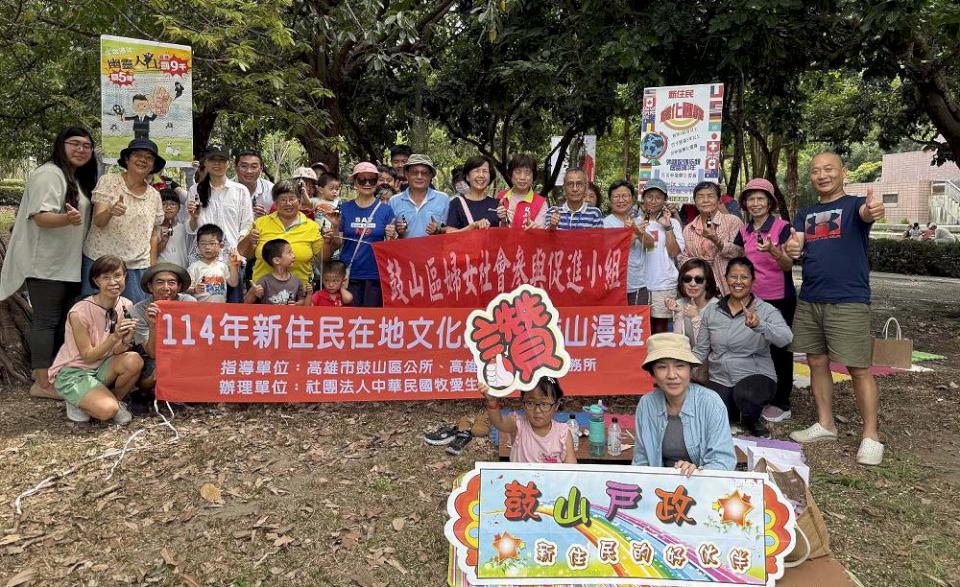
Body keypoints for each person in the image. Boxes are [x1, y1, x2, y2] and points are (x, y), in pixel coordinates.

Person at [784, 151, 886, 466]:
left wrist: (873, 208)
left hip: (849, 299)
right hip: (811, 297)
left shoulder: (855, 206)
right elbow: (796, 245)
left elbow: (868, 213)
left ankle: (871, 436)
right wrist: (791, 247)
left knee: (858, 367)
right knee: (816, 361)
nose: (822, 175)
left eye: (829, 169)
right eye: (816, 171)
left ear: (843, 172)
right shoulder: (805, 213)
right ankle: (825, 424)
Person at [0, 127, 98, 398]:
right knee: (46, 320)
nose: (81, 149)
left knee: (61, 321)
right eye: (74, 143)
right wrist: (67, 219)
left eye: (86, 146)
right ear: (60, 145)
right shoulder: (49, 173)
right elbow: (41, 216)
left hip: (68, 264)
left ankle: (56, 374)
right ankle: (41, 383)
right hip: (45, 263)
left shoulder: (75, 177)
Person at [693, 258, 793, 437]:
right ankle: (736, 412)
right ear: (726, 279)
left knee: (746, 395)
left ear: (753, 281)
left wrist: (760, 325)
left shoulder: (765, 309)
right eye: (733, 277)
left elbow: (786, 338)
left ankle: (752, 418)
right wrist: (681, 368)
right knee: (706, 408)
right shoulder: (712, 311)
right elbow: (701, 350)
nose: (738, 282)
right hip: (720, 377)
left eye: (744, 277)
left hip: (755, 376)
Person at [48, 255, 144, 424]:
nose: (113, 282)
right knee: (108, 411)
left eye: (117, 275)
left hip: (102, 366)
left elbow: (117, 351)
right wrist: (115, 336)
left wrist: (127, 338)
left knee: (134, 360)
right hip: (75, 371)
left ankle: (113, 401)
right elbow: (87, 357)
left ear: (125, 277)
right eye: (105, 277)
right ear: (96, 281)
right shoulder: (79, 312)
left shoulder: (126, 305)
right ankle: (81, 400)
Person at [734, 178, 797, 423]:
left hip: (779, 297)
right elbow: (739, 258)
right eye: (751, 199)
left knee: (780, 348)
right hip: (753, 298)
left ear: (770, 203)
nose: (755, 203)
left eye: (761, 198)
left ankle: (782, 401)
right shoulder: (744, 230)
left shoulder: (782, 228)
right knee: (757, 347)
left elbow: (788, 265)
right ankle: (760, 394)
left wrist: (772, 250)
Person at [632, 333, 736, 473]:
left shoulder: (710, 402)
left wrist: (697, 472)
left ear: (690, 369)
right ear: (653, 373)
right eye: (662, 367)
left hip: (700, 482)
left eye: (680, 366)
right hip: (658, 483)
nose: (672, 375)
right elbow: (641, 460)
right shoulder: (647, 404)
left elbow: (723, 461)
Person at [82, 138, 165, 303]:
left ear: (153, 166)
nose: (143, 160)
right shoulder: (109, 181)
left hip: (137, 267)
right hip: (102, 263)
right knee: (95, 312)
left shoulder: (154, 195)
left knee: (134, 314)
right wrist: (110, 211)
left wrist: (152, 268)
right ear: (127, 159)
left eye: (149, 158)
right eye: (137, 155)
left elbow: (153, 234)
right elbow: (98, 221)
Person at [185, 144, 254, 302]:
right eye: (212, 160)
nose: (217, 164)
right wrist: (194, 218)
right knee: (206, 304)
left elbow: (246, 225)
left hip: (232, 258)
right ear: (205, 162)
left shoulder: (240, 190)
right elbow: (190, 229)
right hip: (203, 259)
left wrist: (238, 251)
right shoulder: (195, 190)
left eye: (222, 160)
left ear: (229, 163)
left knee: (234, 306)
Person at [236, 181, 330, 289]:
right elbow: (244, 253)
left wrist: (328, 240)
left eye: (292, 199)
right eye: (283, 199)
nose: (288, 203)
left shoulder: (312, 226)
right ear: (275, 203)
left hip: (299, 293)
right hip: (262, 291)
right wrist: (249, 239)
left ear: (299, 202)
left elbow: (324, 257)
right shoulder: (260, 223)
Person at [330, 162, 398, 307]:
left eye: (372, 180)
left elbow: (390, 249)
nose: (367, 183)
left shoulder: (386, 210)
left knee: (372, 318)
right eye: (362, 180)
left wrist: (391, 236)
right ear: (355, 182)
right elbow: (337, 244)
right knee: (350, 318)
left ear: (377, 182)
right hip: (348, 275)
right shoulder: (345, 208)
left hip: (375, 275)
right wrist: (335, 227)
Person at [130, 263, 196, 394]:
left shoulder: (189, 302)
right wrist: (153, 325)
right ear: (150, 286)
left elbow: (197, 338)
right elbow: (152, 353)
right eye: (160, 282)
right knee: (152, 375)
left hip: (184, 352)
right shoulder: (139, 310)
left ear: (179, 286)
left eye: (171, 283)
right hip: (154, 355)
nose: (166, 288)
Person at [482, 378, 577, 463]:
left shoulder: (563, 433)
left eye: (544, 404)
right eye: (530, 403)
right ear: (523, 403)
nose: (537, 410)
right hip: (519, 478)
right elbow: (499, 422)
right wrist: (492, 402)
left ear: (556, 405)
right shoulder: (517, 425)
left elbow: (572, 469)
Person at [679, 181, 744, 295]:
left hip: (729, 288)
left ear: (719, 200)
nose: (705, 200)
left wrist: (717, 240)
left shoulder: (733, 222)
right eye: (700, 197)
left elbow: (740, 253)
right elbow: (682, 257)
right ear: (695, 202)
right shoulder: (689, 229)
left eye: (710, 196)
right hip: (700, 289)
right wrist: (699, 263)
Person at [665, 259, 720, 384]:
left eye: (698, 279)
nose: (692, 284)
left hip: (712, 369)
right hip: (688, 367)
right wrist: (678, 314)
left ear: (707, 283)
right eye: (687, 279)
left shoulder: (716, 307)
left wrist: (695, 318)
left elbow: (707, 349)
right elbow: (678, 343)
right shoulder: (680, 303)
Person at [640, 179, 684, 333]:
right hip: (639, 285)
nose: (653, 201)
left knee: (661, 329)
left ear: (664, 200)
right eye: (649, 196)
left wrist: (667, 227)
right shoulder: (635, 222)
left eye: (658, 197)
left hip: (664, 283)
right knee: (640, 328)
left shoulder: (673, 223)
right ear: (643, 198)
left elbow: (674, 252)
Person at [603, 180, 653, 304]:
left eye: (625, 196)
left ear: (632, 199)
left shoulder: (640, 220)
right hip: (613, 285)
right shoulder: (605, 223)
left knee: (637, 317)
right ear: (610, 200)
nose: (621, 200)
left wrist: (637, 231)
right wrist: (633, 233)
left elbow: (651, 244)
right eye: (616, 196)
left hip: (638, 284)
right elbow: (614, 252)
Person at [390, 154, 449, 238]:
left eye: (424, 173)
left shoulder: (443, 199)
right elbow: (387, 232)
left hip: (436, 247)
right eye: (414, 172)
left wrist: (439, 230)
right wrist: (397, 231)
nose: (419, 177)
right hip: (404, 247)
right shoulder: (394, 201)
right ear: (407, 174)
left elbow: (452, 229)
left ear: (431, 175)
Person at [245, 239, 312, 305]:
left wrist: (296, 304)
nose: (294, 256)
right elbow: (246, 303)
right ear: (277, 260)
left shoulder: (296, 281)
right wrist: (252, 292)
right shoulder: (264, 281)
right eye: (289, 252)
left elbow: (302, 301)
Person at [444, 155, 500, 232]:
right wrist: (473, 226)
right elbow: (450, 233)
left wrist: (504, 220)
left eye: (485, 171)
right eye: (476, 171)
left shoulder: (496, 203)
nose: (481, 175)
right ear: (467, 177)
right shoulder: (456, 203)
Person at [496, 154, 547, 229]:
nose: (522, 177)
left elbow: (541, 232)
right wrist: (503, 221)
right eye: (518, 172)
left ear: (533, 176)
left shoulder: (541, 203)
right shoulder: (500, 197)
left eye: (527, 173)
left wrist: (536, 228)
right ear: (511, 174)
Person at [233, 149, 273, 219]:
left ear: (261, 168)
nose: (249, 171)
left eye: (254, 167)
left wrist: (266, 218)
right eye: (244, 166)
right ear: (236, 167)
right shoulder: (224, 189)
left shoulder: (271, 190)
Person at [156, 189, 190, 269]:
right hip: (162, 272)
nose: (168, 207)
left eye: (173, 204)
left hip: (182, 271)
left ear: (179, 208)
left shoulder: (184, 228)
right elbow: (152, 254)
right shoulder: (154, 230)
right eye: (163, 204)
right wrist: (163, 241)